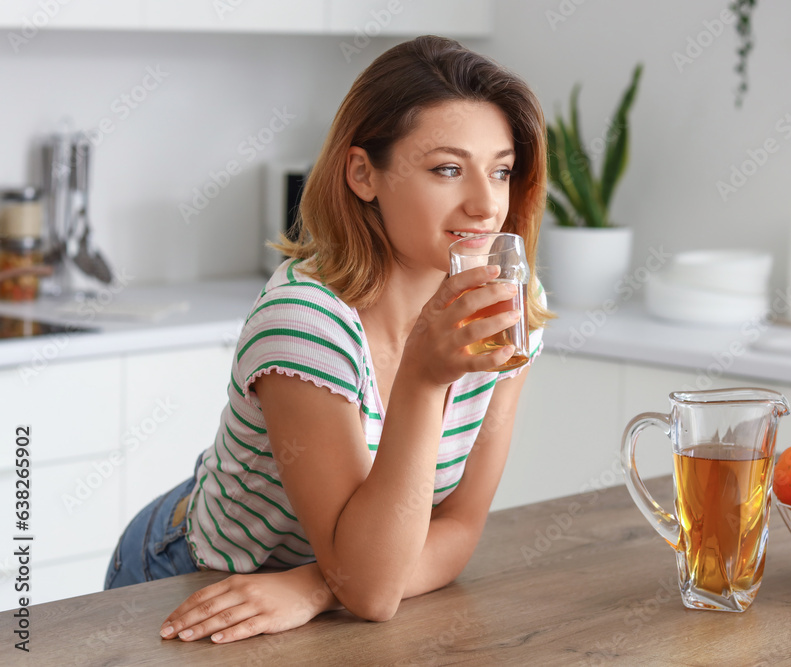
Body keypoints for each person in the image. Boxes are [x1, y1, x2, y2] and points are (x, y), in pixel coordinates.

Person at [103, 35, 553, 643]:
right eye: (448, 169)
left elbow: (457, 526)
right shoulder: (304, 321)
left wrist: (317, 584)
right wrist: (424, 376)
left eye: (500, 170)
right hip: (200, 576)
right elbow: (370, 592)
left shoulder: (508, 307)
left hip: (321, 592)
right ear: (363, 173)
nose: (484, 204)